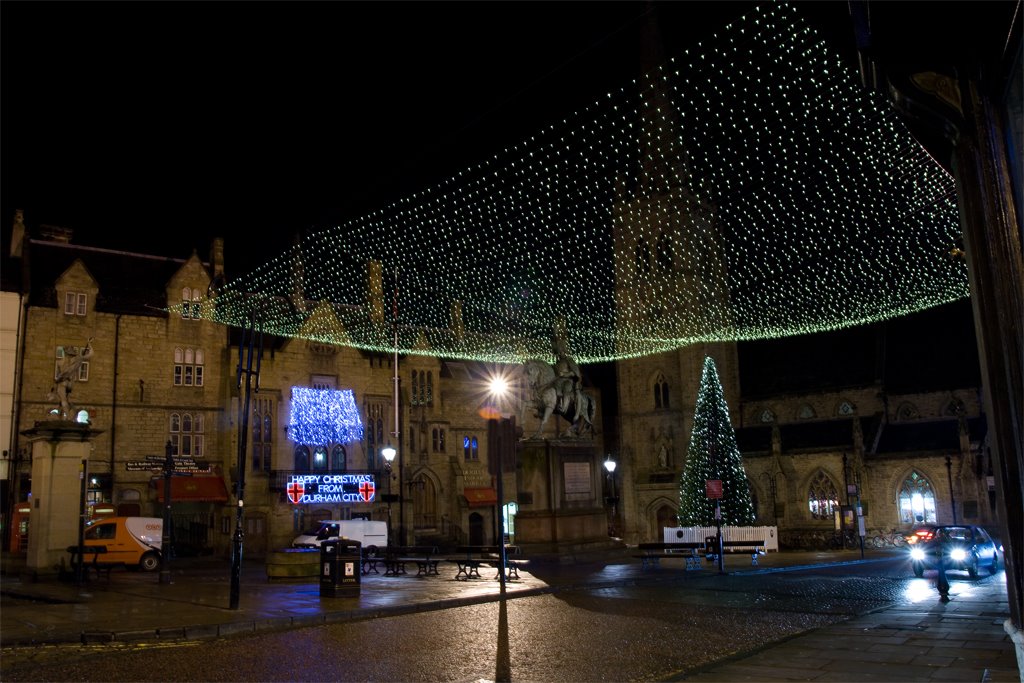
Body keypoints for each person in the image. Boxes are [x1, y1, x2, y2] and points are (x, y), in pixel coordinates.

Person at [50, 338, 93, 419]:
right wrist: (89, 344)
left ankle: (69, 417)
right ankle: (60, 413)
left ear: (65, 353)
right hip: (70, 384)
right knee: (64, 399)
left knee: (63, 400)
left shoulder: (60, 362)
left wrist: (55, 385)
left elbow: (58, 376)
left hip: (62, 383)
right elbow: (91, 354)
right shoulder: (77, 360)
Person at [552, 334, 583, 421]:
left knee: (566, 389)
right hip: (558, 381)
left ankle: (564, 407)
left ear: (564, 352)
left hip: (568, 381)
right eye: (560, 352)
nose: (561, 353)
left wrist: (565, 374)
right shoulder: (557, 363)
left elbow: (574, 373)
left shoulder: (569, 361)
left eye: (562, 352)